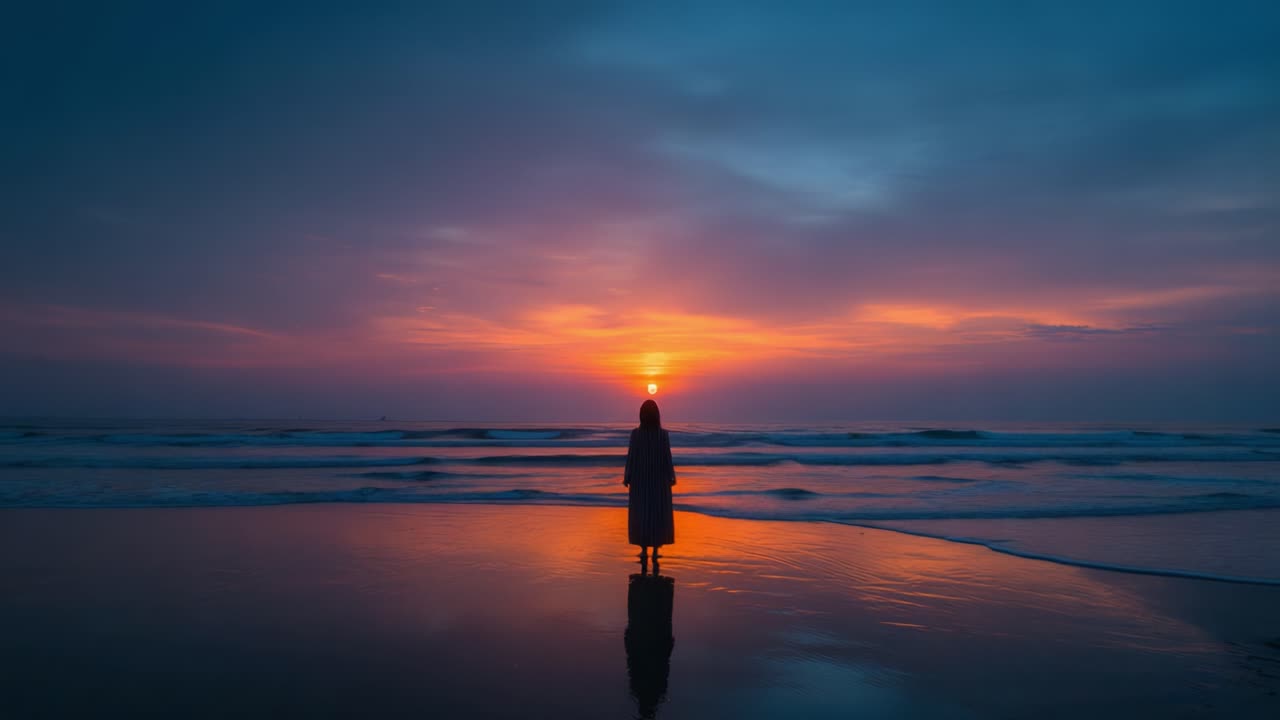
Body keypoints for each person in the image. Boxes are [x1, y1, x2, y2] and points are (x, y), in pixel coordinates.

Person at [623, 399, 676, 559]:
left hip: (641, 480)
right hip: (658, 480)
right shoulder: (663, 435)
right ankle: (655, 550)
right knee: (657, 513)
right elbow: (667, 457)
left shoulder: (636, 434)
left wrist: (628, 476)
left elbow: (631, 457)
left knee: (642, 513)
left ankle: (645, 548)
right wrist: (671, 476)